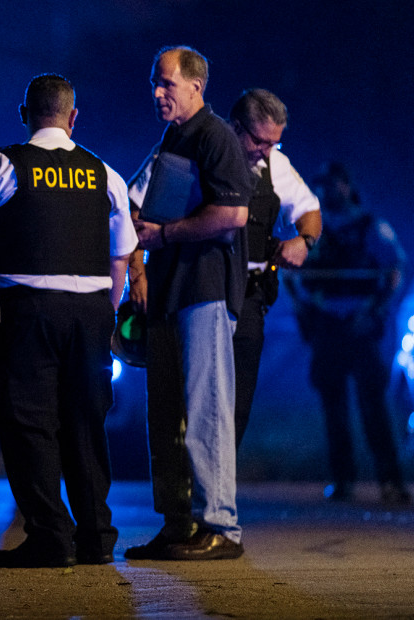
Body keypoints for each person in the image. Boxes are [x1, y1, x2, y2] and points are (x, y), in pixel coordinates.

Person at [0, 74, 136, 568]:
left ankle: (51, 536)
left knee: (28, 423)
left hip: (26, 313)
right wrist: (107, 313)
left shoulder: (4, 163)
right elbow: (124, 253)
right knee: (85, 424)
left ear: (24, 112)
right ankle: (96, 536)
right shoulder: (104, 172)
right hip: (92, 313)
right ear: (74, 118)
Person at [125, 46, 252, 561]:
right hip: (172, 289)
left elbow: (235, 214)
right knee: (168, 413)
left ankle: (220, 525)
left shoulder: (216, 136)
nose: (157, 93)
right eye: (155, 83)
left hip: (204, 288)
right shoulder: (174, 137)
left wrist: (166, 234)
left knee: (206, 411)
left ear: (196, 86)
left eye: (167, 84)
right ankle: (179, 524)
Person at [285, 162, 410, 504]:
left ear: (346, 185)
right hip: (327, 325)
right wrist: (306, 309)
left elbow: (394, 268)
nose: (328, 190)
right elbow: (291, 274)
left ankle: (391, 481)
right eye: (322, 184)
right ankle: (343, 482)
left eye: (334, 183)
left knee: (374, 406)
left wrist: (375, 309)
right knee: (333, 409)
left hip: (361, 325)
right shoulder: (312, 227)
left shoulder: (369, 226)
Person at [227, 89, 322, 446]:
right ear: (236, 127)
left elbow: (310, 210)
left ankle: (218, 494)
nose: (266, 151)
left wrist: (304, 242)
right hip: (200, 292)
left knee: (239, 402)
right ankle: (184, 494)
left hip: (250, 295)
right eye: (260, 141)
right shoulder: (204, 152)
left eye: (274, 144)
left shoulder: (274, 165)